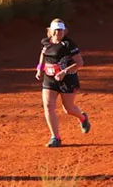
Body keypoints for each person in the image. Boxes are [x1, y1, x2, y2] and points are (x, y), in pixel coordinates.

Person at [35, 19, 90, 148]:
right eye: (56, 30)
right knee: (48, 105)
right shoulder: (46, 43)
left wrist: (64, 72)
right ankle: (55, 137)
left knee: (68, 109)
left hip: (67, 79)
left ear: (65, 31)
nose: (59, 32)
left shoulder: (69, 45)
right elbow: (43, 55)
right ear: (51, 31)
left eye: (61, 30)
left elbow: (80, 63)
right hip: (50, 79)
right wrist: (39, 68)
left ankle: (82, 118)